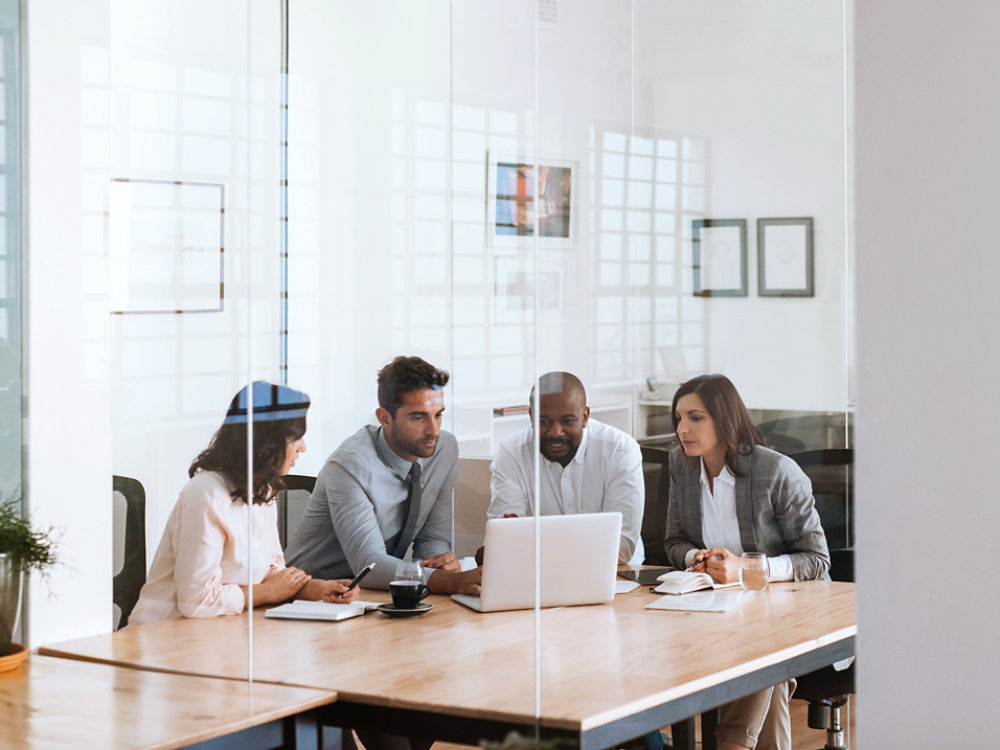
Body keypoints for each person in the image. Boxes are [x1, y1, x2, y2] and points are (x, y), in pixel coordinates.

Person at [665, 374, 830, 750]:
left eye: (695, 418)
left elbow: (817, 559)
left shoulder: (776, 471)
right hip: (716, 608)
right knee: (769, 676)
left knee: (763, 654)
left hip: (788, 611)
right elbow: (673, 541)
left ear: (724, 419)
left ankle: (732, 742)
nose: (682, 429)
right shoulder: (682, 464)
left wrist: (747, 569)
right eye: (678, 418)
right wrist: (700, 559)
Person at [129, 382, 358, 626]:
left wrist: (319, 589)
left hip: (224, 629)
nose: (303, 447)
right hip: (167, 633)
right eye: (295, 438)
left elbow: (272, 573)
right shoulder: (206, 495)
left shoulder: (262, 490)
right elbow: (197, 601)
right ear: (267, 442)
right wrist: (269, 592)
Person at [286, 356, 481, 595]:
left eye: (438, 415)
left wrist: (439, 564)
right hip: (311, 598)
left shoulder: (443, 449)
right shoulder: (350, 465)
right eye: (418, 417)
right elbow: (369, 566)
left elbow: (433, 536)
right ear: (384, 418)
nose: (433, 431)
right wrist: (450, 582)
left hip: (377, 595)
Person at [488, 371, 644, 566]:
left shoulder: (619, 450)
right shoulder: (511, 454)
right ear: (531, 416)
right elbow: (505, 541)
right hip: (538, 571)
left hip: (615, 570)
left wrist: (530, 539)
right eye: (543, 421)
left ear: (585, 416)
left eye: (567, 421)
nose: (555, 432)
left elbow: (621, 548)